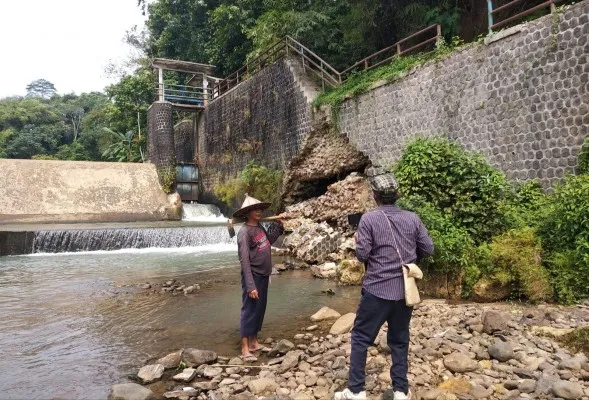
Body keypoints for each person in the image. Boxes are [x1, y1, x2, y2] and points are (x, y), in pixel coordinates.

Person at [335, 169, 434, 400]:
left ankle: (357, 390)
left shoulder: (369, 219)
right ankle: (401, 390)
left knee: (360, 337)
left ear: (375, 195)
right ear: (397, 195)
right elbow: (429, 249)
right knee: (399, 340)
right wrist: (410, 259)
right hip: (404, 291)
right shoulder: (413, 218)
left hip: (377, 290)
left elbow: (362, 255)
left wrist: (358, 242)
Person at [234, 194, 284, 362]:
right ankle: (245, 348)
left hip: (263, 274)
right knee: (249, 310)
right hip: (253, 276)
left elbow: (267, 241)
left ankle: (254, 343)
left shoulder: (259, 227)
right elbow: (245, 262)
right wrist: (250, 286)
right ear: (247, 213)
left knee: (259, 309)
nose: (258, 211)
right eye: (255, 209)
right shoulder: (244, 233)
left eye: (260, 209)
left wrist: (278, 225)